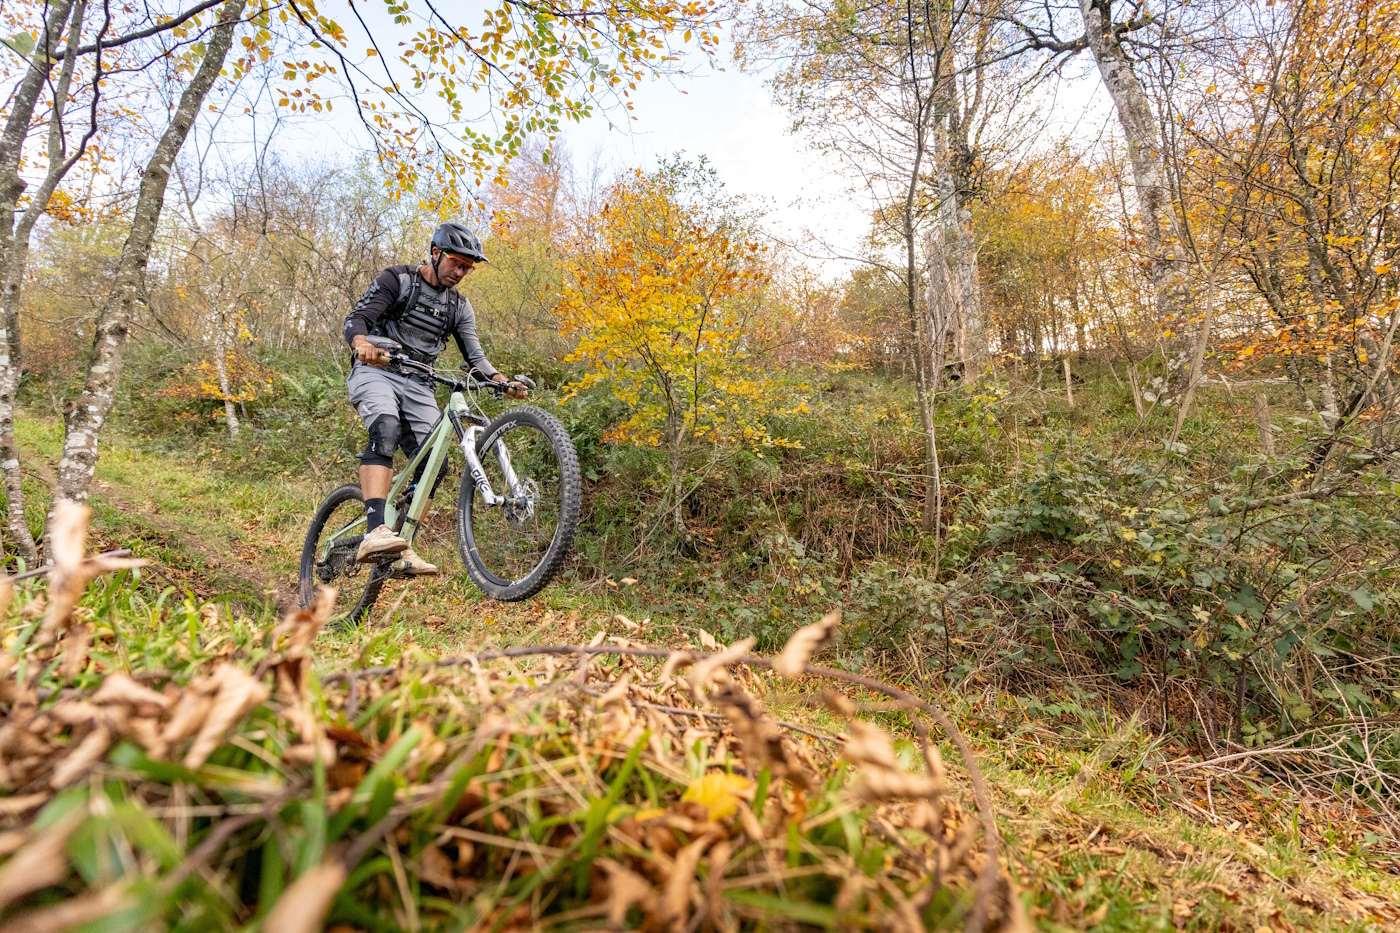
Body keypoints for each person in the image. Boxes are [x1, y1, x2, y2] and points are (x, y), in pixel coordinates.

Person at [342, 221, 526, 574]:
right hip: (377, 370)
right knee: (386, 429)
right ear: (436, 253)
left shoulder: (459, 306)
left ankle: (401, 545)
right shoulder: (397, 280)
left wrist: (502, 380)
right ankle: (375, 530)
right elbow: (357, 319)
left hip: (420, 383)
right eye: (456, 262)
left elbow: (476, 357)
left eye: (467, 268)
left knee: (434, 464)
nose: (460, 272)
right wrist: (362, 343)